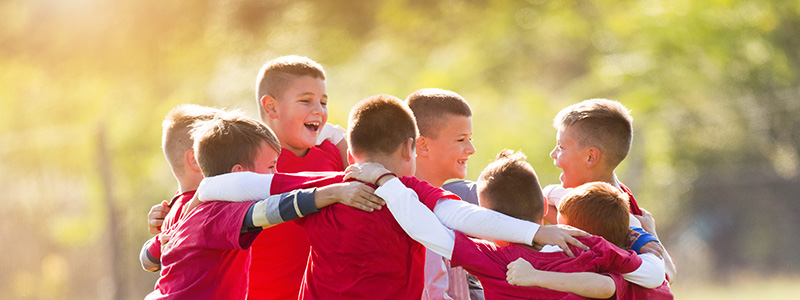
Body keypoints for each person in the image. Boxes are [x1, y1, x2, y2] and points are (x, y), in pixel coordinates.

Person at [195, 95, 591, 299]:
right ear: (409, 149)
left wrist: (197, 195)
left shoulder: (323, 187)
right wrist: (535, 234)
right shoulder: (411, 191)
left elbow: (231, 186)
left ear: (353, 153)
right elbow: (467, 219)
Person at [346, 150, 667, 299]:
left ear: (486, 213)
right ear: (544, 206)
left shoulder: (492, 258)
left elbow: (423, 229)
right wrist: (644, 235)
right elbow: (653, 275)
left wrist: (387, 181)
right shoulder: (587, 244)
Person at [144, 111, 383, 299]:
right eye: (270, 167)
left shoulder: (180, 207)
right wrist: (333, 193)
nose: (275, 174)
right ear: (237, 173)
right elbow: (272, 211)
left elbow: (149, 259)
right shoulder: (216, 210)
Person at [545, 98, 677, 280]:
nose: (553, 154)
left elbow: (665, 276)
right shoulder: (573, 198)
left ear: (590, 157)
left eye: (561, 147)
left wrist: (650, 235)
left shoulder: (618, 213)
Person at [507, 180, 674, 299]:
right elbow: (665, 273)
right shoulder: (632, 258)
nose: (557, 234)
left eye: (561, 228)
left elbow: (656, 273)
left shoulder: (605, 254)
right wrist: (641, 234)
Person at [406, 88, 477, 300]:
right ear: (423, 145)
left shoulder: (448, 200)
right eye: (461, 140)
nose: (471, 148)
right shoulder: (412, 207)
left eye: (470, 138)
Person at [139, 104, 222, 272]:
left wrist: (156, 240)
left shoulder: (175, 207)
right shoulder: (208, 207)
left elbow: (148, 260)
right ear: (195, 159)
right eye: (225, 151)